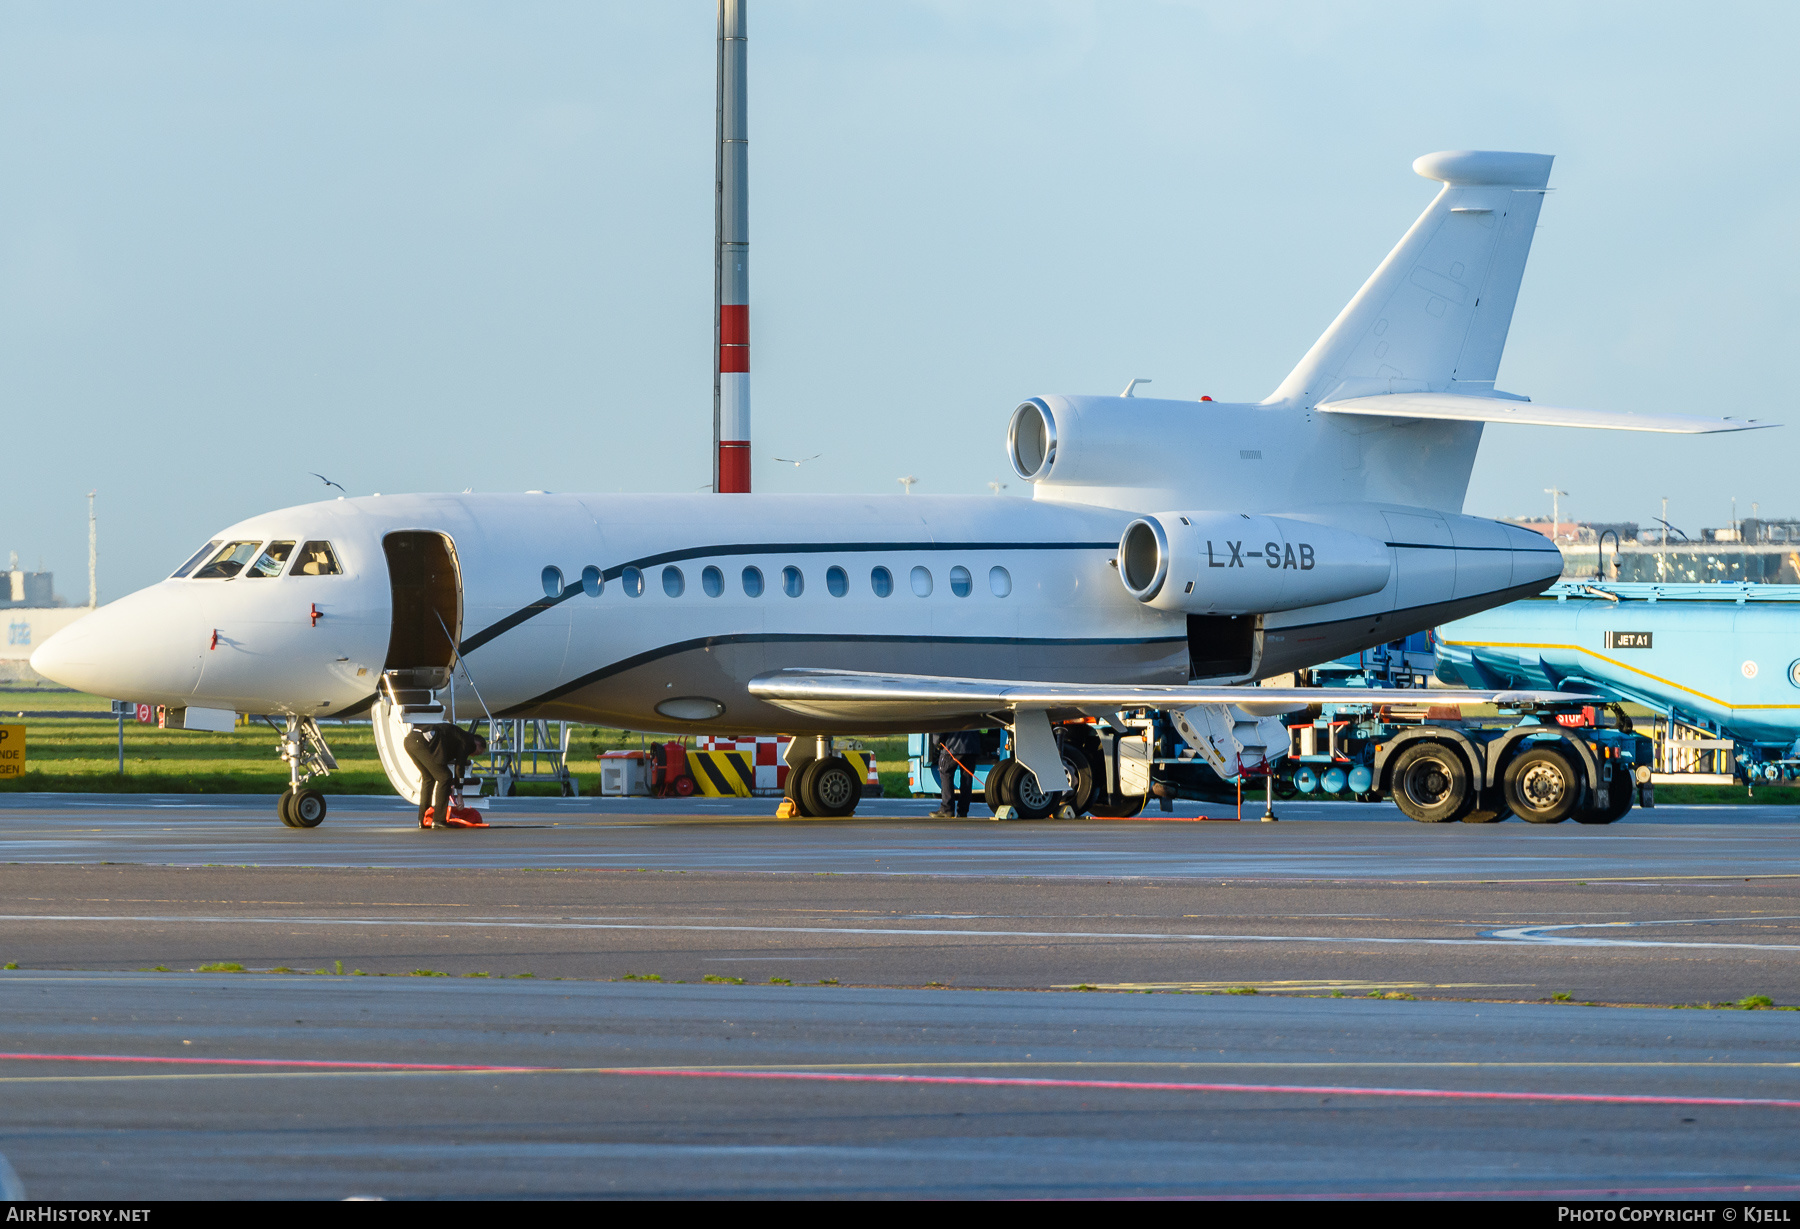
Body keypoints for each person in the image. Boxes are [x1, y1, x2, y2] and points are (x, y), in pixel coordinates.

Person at [404, 722, 489, 829]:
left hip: (410, 740)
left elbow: (441, 761)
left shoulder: (457, 737)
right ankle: (438, 820)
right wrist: (459, 795)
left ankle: (424, 819)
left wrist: (449, 786)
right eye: (478, 753)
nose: (474, 755)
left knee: (429, 778)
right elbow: (460, 767)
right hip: (421, 742)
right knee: (445, 777)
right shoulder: (468, 741)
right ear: (477, 744)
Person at [931, 729, 982, 818]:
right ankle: (963, 810)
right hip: (972, 745)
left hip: (952, 745)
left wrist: (937, 742)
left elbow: (941, 725)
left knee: (945, 773)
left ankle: (947, 809)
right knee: (967, 778)